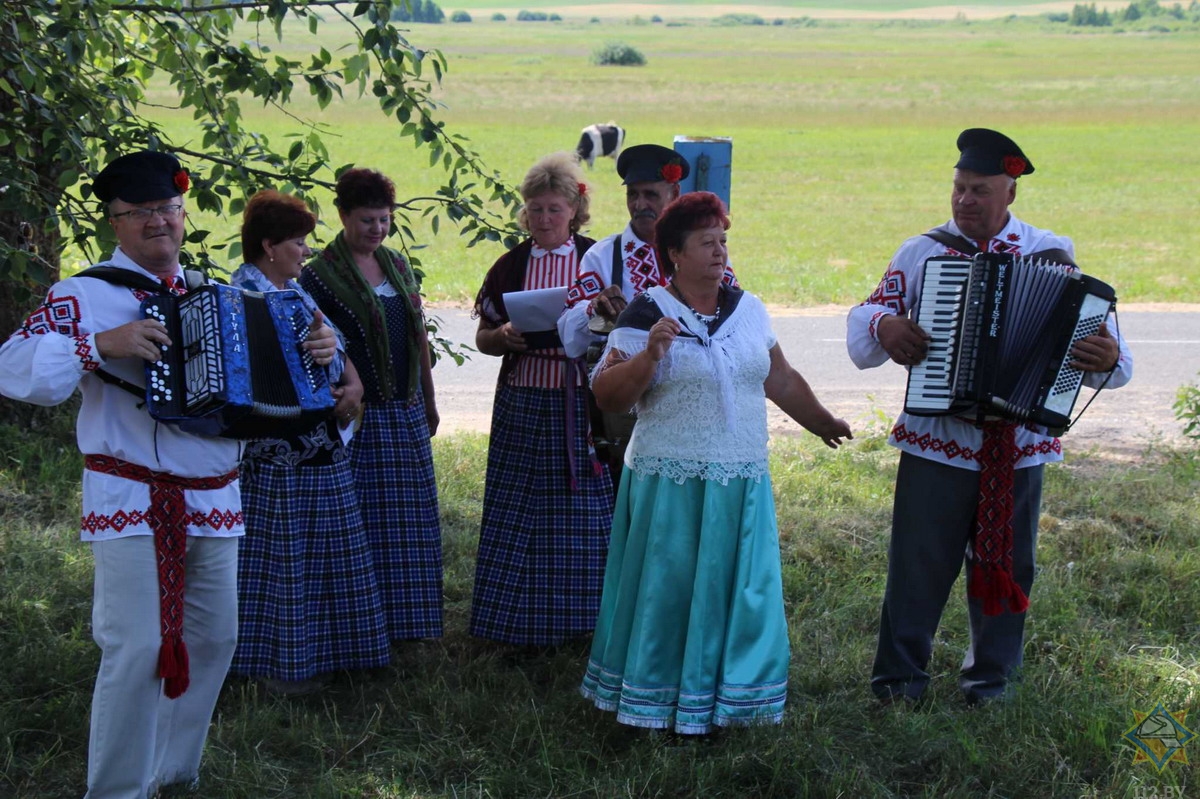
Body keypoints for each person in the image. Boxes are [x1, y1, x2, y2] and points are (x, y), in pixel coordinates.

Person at [0, 151, 337, 797]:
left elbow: (290, 382)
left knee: (215, 639)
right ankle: (119, 789)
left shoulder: (217, 294)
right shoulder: (85, 293)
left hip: (216, 494)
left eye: (167, 209)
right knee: (136, 650)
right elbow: (13, 368)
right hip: (132, 489)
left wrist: (317, 351)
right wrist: (100, 344)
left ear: (183, 216)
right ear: (115, 223)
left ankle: (172, 774)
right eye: (140, 212)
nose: (157, 222)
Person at [846, 128, 1134, 707]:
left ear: (1010, 194)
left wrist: (1105, 357)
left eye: (979, 189)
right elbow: (867, 319)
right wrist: (886, 325)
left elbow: (1116, 362)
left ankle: (991, 682)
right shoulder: (922, 252)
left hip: (1019, 446)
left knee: (1011, 565)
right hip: (937, 441)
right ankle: (899, 684)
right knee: (917, 567)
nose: (964, 201)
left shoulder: (1052, 254)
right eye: (958, 188)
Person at [580, 191, 852, 734]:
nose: (720, 251)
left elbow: (779, 377)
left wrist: (821, 420)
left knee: (742, 592)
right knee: (671, 591)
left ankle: (738, 700)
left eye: (723, 241)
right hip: (670, 479)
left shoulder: (748, 309)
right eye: (707, 243)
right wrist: (649, 356)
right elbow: (608, 395)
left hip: (740, 476)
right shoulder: (648, 311)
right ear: (676, 253)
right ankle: (656, 700)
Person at [228, 189, 390, 694]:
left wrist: (350, 377)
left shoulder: (293, 290)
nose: (306, 251)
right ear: (269, 245)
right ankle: (277, 667)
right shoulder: (241, 296)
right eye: (298, 243)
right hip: (276, 456)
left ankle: (329, 652)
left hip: (318, 446)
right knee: (282, 562)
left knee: (327, 551)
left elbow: (331, 342)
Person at [469, 153, 614, 648]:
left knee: (579, 512)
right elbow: (483, 337)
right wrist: (502, 336)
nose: (544, 219)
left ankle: (584, 624)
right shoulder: (509, 265)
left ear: (574, 210)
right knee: (517, 506)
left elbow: (620, 330)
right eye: (535, 209)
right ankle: (509, 623)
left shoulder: (596, 261)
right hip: (522, 401)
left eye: (554, 209)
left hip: (582, 405)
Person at [300, 168, 444, 643]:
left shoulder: (397, 265)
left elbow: (417, 334)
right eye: (366, 220)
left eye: (384, 219)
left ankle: (409, 626)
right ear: (342, 216)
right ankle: (362, 628)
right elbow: (313, 347)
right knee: (363, 525)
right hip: (358, 420)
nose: (377, 229)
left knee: (411, 523)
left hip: (402, 410)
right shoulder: (318, 276)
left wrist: (428, 395)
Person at [557, 143, 738, 478]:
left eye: (650, 195)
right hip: (625, 410)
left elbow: (734, 324)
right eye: (633, 195)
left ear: (674, 192)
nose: (639, 205)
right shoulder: (603, 255)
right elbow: (569, 335)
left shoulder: (704, 252)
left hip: (692, 409)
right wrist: (595, 311)